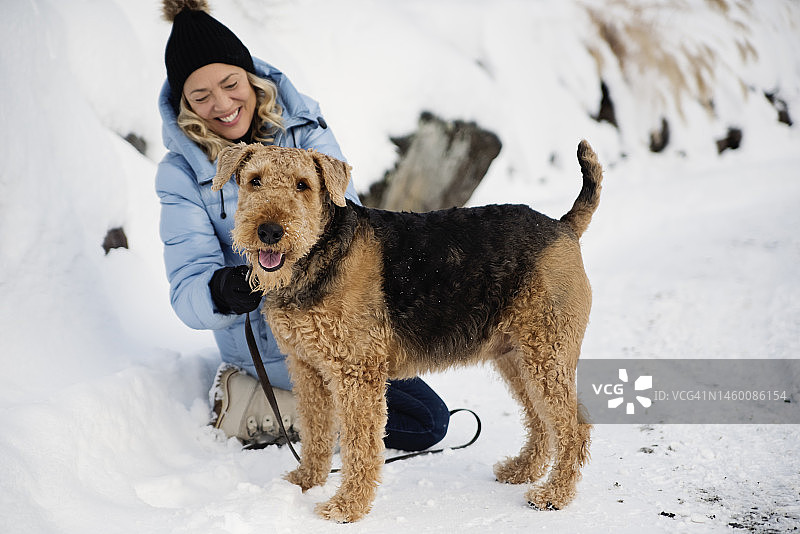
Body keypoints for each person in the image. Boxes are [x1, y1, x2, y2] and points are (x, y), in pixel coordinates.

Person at [156, 0, 450, 449]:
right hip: (267, 341)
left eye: (230, 83)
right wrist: (223, 290)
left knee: (429, 420)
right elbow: (186, 289)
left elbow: (346, 219)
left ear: (251, 79)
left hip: (335, 316)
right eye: (200, 96)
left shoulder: (304, 129)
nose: (221, 104)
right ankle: (252, 401)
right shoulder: (180, 175)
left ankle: (319, 417)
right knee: (400, 418)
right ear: (186, 105)